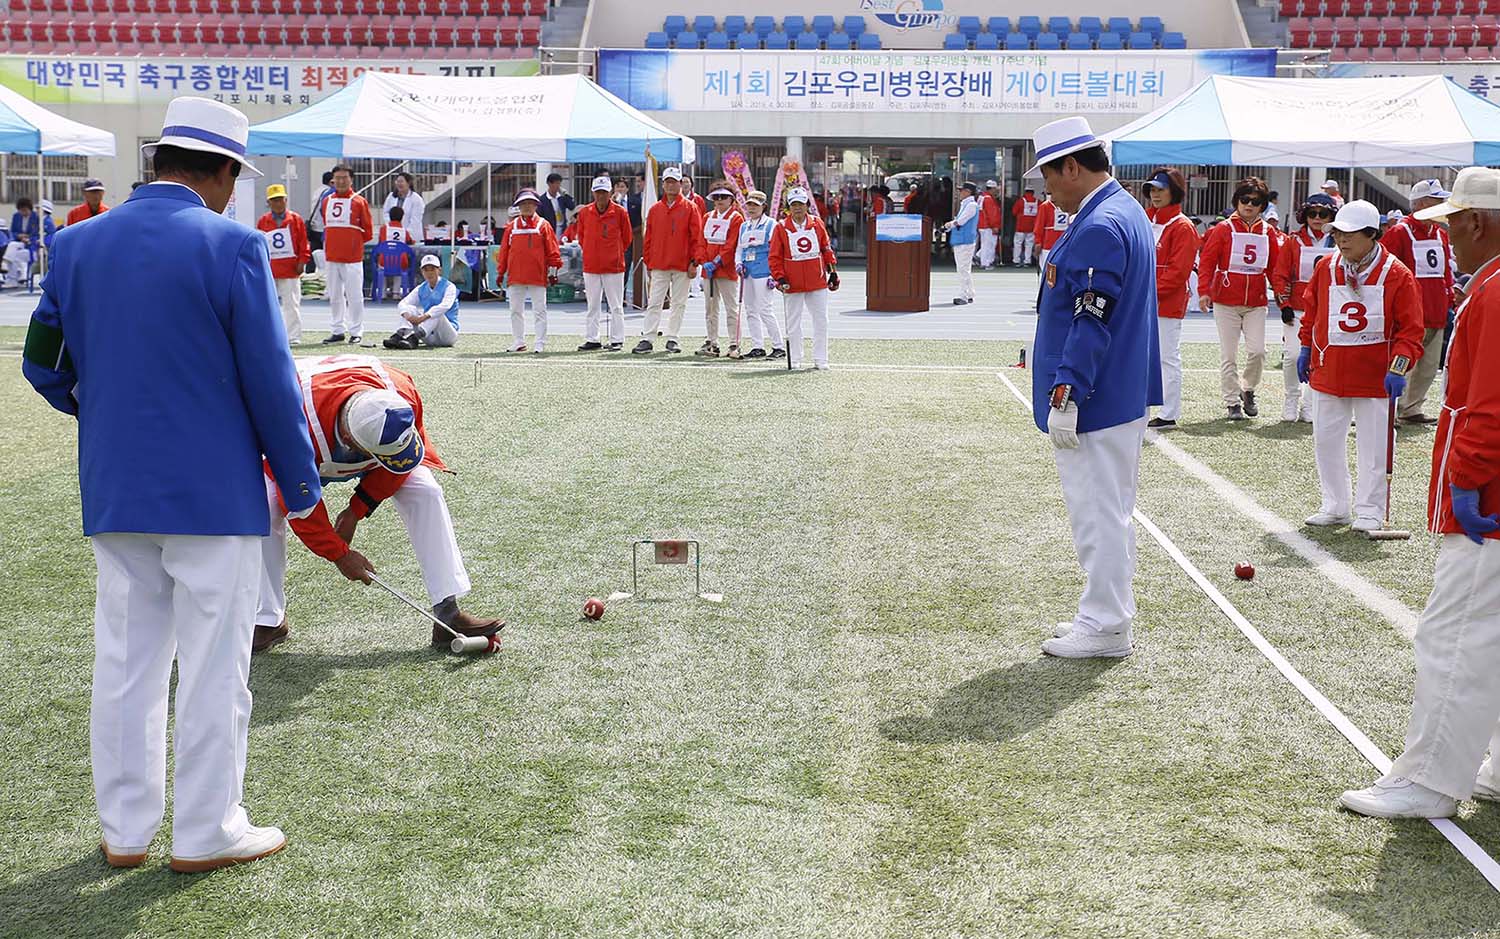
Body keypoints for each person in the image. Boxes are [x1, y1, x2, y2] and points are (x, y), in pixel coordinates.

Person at [21, 96, 323, 873]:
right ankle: (206, 829)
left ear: (161, 159)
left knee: (126, 663)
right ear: (222, 171)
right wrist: (300, 481)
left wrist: (103, 414)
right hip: (213, 497)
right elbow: (270, 380)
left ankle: (125, 830)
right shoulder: (234, 246)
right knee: (215, 667)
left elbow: (44, 365)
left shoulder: (76, 244)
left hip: (116, 489)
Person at [1338, 166, 1500, 819]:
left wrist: (1466, 480)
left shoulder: (1492, 290)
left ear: (1479, 222)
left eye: (1455, 222)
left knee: (1455, 634)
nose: (1447, 235)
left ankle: (1430, 778)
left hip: (1488, 501)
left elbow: (1487, 407)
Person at [1028, 116, 1162, 659]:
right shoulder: (1121, 212)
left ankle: (1106, 623)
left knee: (1097, 513)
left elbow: (1091, 318)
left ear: (1073, 166)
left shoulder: (1101, 225)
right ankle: (1103, 611)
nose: (1047, 189)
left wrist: (1068, 392)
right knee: (1110, 510)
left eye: (1049, 177)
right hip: (1116, 391)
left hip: (1097, 397)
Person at [257, 355, 500, 652]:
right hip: (299, 437)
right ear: (350, 440)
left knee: (426, 491)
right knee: (265, 507)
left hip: (340, 424)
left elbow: (403, 463)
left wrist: (356, 510)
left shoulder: (401, 396)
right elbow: (299, 502)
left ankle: (448, 611)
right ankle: (268, 619)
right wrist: (340, 554)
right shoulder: (290, 420)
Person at [1296, 200, 1425, 532]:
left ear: (1372, 234)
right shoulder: (1326, 267)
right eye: (1337, 233)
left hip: (1375, 377)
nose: (1341, 240)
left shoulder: (1397, 274)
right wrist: (1306, 346)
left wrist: (1398, 367)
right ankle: (1335, 504)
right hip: (1329, 371)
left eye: (1349, 234)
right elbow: (1312, 311)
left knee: (1374, 446)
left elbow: (1411, 330)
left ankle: (1369, 509)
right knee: (1325, 440)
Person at [1200, 176, 1279, 420]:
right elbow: (1208, 261)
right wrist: (1204, 291)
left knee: (1258, 351)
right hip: (1226, 301)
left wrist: (1282, 296)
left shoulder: (1269, 232)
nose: (1248, 205)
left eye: (1255, 202)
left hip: (1256, 302)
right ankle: (1232, 401)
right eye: (1244, 199)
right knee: (1229, 355)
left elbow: (1275, 267)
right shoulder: (1223, 229)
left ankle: (1248, 389)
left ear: (1262, 206)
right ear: (1237, 201)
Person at [1382, 179, 1456, 425]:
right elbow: (1386, 268)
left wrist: (1449, 298)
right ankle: (1388, 409)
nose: (1442, 206)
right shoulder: (1400, 231)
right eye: (1437, 201)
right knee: (1403, 361)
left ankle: (1411, 408)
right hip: (1410, 310)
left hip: (1436, 308)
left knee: (1429, 365)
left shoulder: (1439, 234)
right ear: (1423, 204)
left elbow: (1445, 271)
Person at [1271, 194, 1339, 423]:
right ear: (1305, 215)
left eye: (1323, 214)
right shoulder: (1293, 241)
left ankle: (1309, 404)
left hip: (1329, 310)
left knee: (1320, 358)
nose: (1317, 218)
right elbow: (1280, 274)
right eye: (1312, 214)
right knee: (1291, 355)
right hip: (1298, 308)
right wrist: (1284, 304)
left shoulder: (1339, 241)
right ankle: (1291, 397)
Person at [1144, 168, 1200, 430]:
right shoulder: (1147, 219)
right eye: (1152, 189)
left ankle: (1168, 412)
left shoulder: (1183, 227)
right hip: (1143, 302)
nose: (1155, 194)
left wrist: (1144, 292)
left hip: (1166, 303)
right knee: (1142, 356)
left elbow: (1179, 273)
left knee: (1166, 356)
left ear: (1174, 191)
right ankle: (1141, 406)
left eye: (1160, 189)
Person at [633, 166, 703, 355]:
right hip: (659, 264)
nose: (671, 185)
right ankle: (648, 337)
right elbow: (649, 237)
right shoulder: (655, 209)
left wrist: (695, 262)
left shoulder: (691, 207)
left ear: (681, 184)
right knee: (654, 301)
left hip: (682, 264)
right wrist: (648, 261)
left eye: (674, 182)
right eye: (668, 182)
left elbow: (697, 237)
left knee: (679, 303)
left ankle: (673, 337)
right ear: (663, 184)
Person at [768, 187, 837, 370]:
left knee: (821, 320)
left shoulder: (817, 223)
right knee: (793, 322)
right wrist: (780, 278)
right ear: (789, 207)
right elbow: (774, 256)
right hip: (792, 282)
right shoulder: (781, 227)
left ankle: (821, 359)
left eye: (801, 204)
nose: (798, 208)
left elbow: (826, 248)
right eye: (794, 204)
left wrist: (833, 271)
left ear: (807, 205)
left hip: (817, 280)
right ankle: (796, 358)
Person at [495, 189, 561, 354]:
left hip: (537, 275)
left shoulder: (543, 225)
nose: (526, 207)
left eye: (530, 203)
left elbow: (553, 250)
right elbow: (504, 252)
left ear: (535, 205)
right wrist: (501, 272)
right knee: (515, 310)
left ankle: (540, 342)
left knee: (540, 310)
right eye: (523, 204)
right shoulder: (511, 227)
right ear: (518, 206)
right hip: (515, 276)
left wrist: (553, 272)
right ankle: (518, 341)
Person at [574, 175, 633, 352]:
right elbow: (581, 236)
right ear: (593, 193)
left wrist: (614, 252)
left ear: (610, 193)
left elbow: (627, 237)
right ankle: (593, 338)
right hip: (591, 266)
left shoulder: (620, 212)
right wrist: (592, 251)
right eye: (598, 192)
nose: (601, 196)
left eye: (604, 192)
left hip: (613, 266)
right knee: (592, 305)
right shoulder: (585, 212)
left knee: (616, 305)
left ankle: (617, 339)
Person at [319, 163, 374, 345]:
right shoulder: (326, 201)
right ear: (333, 180)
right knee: (334, 296)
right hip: (332, 256)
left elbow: (368, 231)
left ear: (351, 179)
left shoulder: (359, 201)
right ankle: (337, 330)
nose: (341, 181)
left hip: (352, 258)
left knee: (355, 296)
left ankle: (356, 330)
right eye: (338, 178)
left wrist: (351, 243)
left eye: (345, 178)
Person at [255, 184, 311, 345]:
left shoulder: (295, 219)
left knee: (291, 304)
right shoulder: (263, 221)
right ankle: (269, 335)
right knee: (267, 304)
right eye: (274, 200)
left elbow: (303, 242)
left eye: (280, 199)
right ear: (269, 202)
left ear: (286, 200)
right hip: (271, 268)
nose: (278, 203)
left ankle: (293, 336)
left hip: (291, 268)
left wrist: (302, 261)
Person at [696, 181, 744, 358]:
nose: (719, 200)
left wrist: (716, 262)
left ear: (731, 199)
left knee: (731, 308)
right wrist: (703, 262)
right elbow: (701, 242)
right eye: (716, 197)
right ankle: (712, 342)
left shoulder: (736, 218)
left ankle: (734, 344)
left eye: (724, 197)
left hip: (726, 270)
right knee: (710, 307)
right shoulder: (707, 216)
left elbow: (731, 245)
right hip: (708, 271)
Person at [735, 189, 785, 360]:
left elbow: (776, 250)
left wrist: (774, 275)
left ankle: (778, 346)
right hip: (747, 272)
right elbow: (739, 248)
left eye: (755, 205)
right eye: (749, 205)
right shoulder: (744, 226)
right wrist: (738, 263)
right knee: (750, 310)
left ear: (763, 206)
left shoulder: (772, 225)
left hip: (764, 272)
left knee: (765, 309)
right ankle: (758, 346)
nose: (751, 208)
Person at [384, 254, 461, 349]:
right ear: (422, 271)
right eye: (426, 270)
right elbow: (403, 303)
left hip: (447, 336)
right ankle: (400, 335)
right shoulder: (421, 288)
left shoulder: (449, 287)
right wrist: (407, 315)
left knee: (437, 313)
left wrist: (422, 318)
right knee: (409, 308)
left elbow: (445, 306)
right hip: (427, 335)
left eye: (432, 269)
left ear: (439, 270)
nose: (429, 273)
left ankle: (414, 338)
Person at [944, 182, 980, 306]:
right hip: (963, 240)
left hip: (965, 241)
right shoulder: (967, 204)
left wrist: (948, 225)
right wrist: (948, 227)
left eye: (962, 190)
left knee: (962, 269)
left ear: (968, 192)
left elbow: (961, 221)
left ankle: (963, 296)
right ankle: (970, 293)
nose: (960, 193)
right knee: (965, 268)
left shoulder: (971, 205)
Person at [381, 172, 425, 244]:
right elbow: (385, 212)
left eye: (401, 181)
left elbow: (415, 220)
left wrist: (404, 234)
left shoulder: (416, 199)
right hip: (392, 234)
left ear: (408, 183)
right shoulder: (391, 196)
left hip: (411, 236)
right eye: (397, 181)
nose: (399, 184)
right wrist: (392, 227)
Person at [1033, 192, 1070, 274]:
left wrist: (1038, 241)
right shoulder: (1069, 204)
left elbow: (1039, 225)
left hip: (1049, 243)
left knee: (1048, 272)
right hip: (1064, 242)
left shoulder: (1044, 206)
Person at [307, 170, 335, 268]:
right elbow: (323, 210)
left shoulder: (318, 190)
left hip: (313, 226)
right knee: (323, 256)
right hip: (322, 228)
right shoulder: (328, 192)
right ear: (331, 181)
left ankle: (310, 274)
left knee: (313, 254)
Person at [1011, 186, 1039, 266]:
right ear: (1033, 192)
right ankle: (1027, 261)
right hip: (1032, 227)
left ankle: (1016, 260)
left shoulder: (1020, 201)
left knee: (1018, 244)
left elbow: (1014, 212)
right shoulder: (1037, 202)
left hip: (1020, 227)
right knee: (1029, 245)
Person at [978, 180, 1002, 269]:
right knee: (987, 245)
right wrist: (994, 226)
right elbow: (991, 214)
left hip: (983, 225)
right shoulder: (988, 199)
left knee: (986, 244)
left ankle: (981, 258)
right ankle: (985, 263)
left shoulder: (982, 197)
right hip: (987, 226)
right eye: (995, 189)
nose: (996, 191)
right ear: (991, 189)